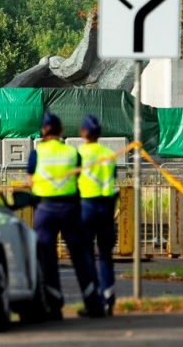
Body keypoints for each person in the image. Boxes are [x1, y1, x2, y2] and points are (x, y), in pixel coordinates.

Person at [26, 111, 104, 319]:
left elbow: (30, 180)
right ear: (61, 131)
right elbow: (78, 178)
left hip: (45, 210)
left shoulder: (37, 152)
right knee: (81, 258)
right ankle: (94, 304)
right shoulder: (72, 151)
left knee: (47, 260)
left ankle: (54, 307)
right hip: (70, 209)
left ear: (43, 130)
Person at [77, 114, 118, 317]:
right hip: (106, 206)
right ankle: (108, 298)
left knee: (86, 255)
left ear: (82, 132)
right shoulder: (108, 153)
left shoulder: (79, 154)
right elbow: (113, 177)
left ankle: (93, 302)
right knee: (105, 255)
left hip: (86, 206)